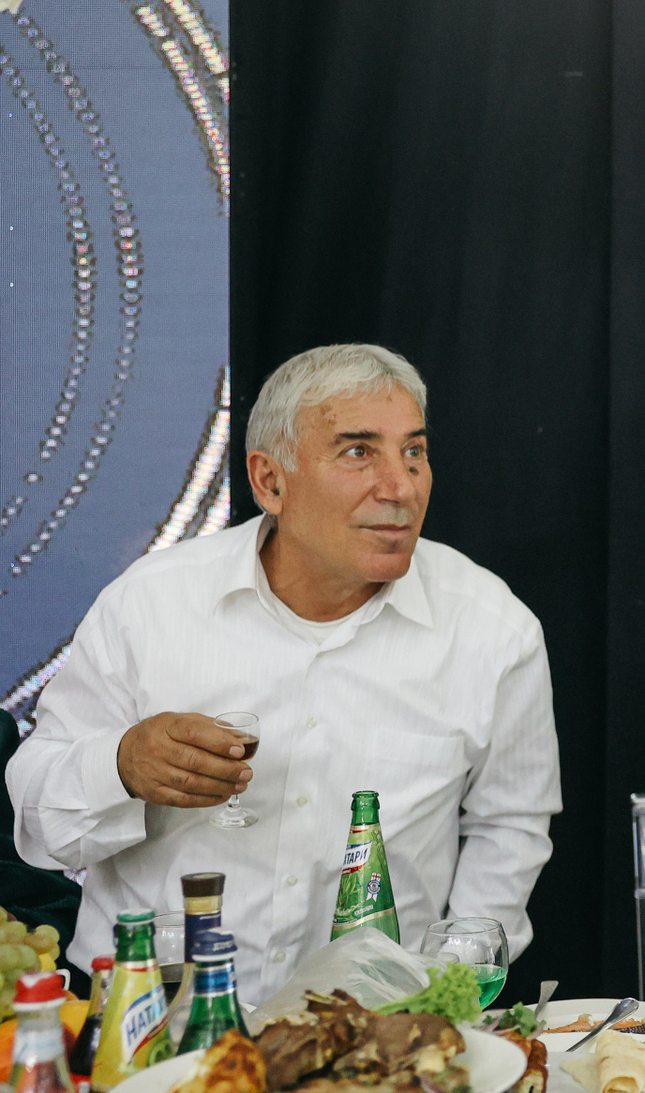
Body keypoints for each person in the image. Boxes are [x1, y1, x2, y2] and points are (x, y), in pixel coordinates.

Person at [9, 344, 562, 1001]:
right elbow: (39, 824)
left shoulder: (494, 630)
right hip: (151, 1021)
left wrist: (446, 992)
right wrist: (123, 766)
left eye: (413, 451)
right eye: (358, 452)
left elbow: (509, 830)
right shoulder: (149, 606)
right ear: (270, 481)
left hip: (372, 1030)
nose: (402, 487)